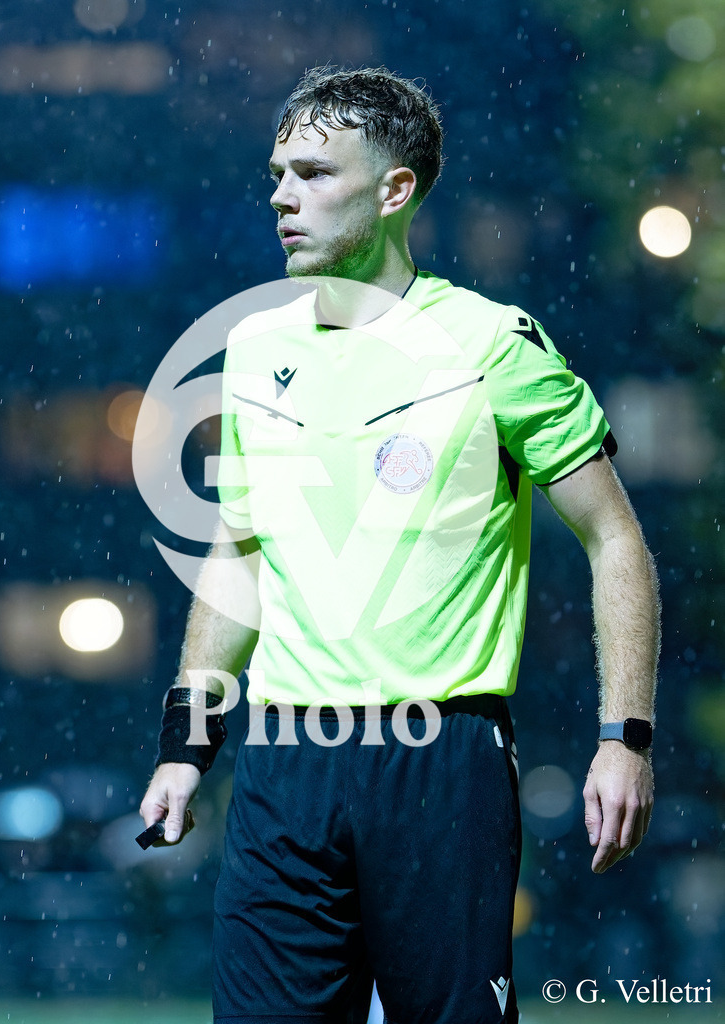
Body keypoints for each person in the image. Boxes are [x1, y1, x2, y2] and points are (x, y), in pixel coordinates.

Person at [140, 66, 659, 1023]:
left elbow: (614, 539)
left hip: (440, 761)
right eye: (275, 173)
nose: (281, 196)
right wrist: (188, 742)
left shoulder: (493, 344)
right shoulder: (255, 349)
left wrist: (622, 737)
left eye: (311, 173)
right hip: (283, 762)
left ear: (393, 190)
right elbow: (239, 554)